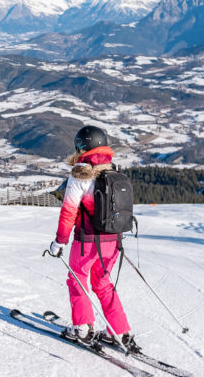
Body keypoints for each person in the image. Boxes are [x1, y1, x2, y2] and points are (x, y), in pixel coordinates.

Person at [49, 125, 140, 352]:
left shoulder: (81, 173)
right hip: (113, 239)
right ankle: (119, 331)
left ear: (81, 146)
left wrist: (60, 242)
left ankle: (82, 329)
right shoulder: (113, 170)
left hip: (87, 241)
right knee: (103, 284)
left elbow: (69, 211)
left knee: (77, 280)